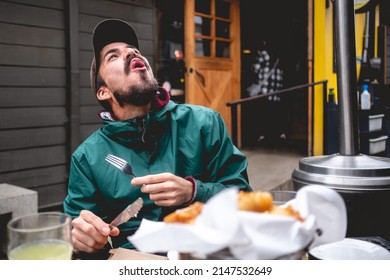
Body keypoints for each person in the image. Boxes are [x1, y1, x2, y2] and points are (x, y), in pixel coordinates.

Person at [63, 19, 252, 256]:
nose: (131, 52)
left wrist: (194, 192)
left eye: (134, 50)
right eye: (113, 56)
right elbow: (78, 227)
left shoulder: (204, 123)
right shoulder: (86, 158)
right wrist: (81, 237)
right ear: (104, 92)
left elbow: (244, 198)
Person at [246, 39, 287, 145]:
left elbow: (255, 68)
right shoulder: (279, 55)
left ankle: (262, 135)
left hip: (265, 89)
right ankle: (279, 134)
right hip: (276, 90)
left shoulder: (264, 54)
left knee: (262, 113)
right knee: (275, 113)